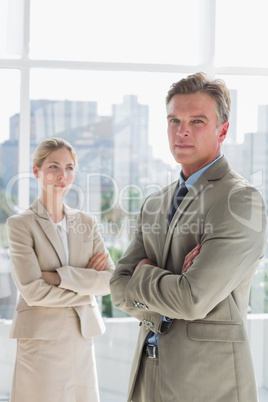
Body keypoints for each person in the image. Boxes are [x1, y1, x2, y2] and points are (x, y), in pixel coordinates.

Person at [110, 72, 267, 402]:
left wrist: (145, 275)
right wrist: (172, 284)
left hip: (207, 384)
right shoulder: (155, 203)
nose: (182, 130)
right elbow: (117, 287)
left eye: (197, 121)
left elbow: (193, 299)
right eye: (174, 120)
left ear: (222, 129)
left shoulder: (239, 200)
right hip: (146, 381)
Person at [7, 137, 115, 402]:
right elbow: (33, 292)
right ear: (37, 171)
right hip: (41, 341)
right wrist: (86, 286)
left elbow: (110, 280)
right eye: (54, 167)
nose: (62, 175)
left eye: (69, 168)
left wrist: (58, 277)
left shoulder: (86, 222)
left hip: (81, 338)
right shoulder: (21, 225)